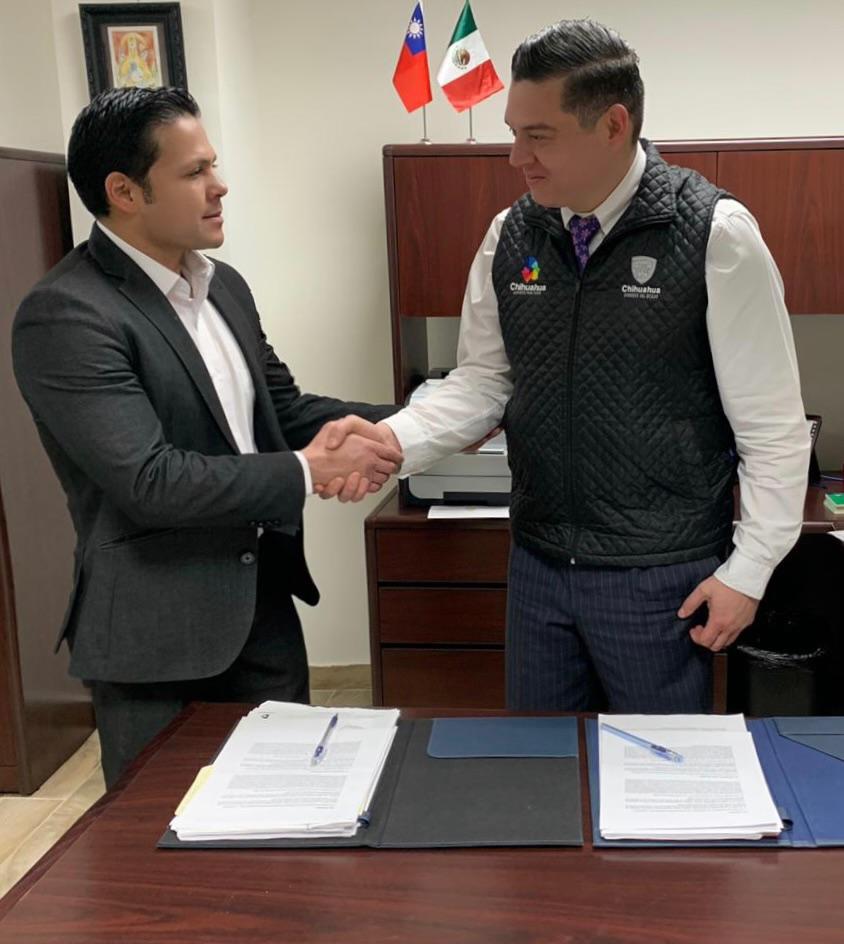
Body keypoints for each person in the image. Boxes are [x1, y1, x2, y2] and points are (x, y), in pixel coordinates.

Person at [331, 18, 811, 713]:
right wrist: (390, 440)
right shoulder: (512, 233)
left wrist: (750, 570)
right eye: (513, 132)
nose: (515, 157)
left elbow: (772, 428)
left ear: (613, 125)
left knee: (656, 767)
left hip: (660, 573)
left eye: (539, 135)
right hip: (540, 563)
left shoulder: (715, 234)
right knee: (538, 762)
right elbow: (484, 381)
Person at [12, 87, 401, 787]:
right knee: (162, 835)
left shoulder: (224, 286)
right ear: (124, 191)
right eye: (195, 172)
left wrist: (426, 420)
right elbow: (151, 481)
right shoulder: (68, 314)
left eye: (212, 165)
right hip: (158, 643)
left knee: (287, 813)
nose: (220, 186)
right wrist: (309, 470)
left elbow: (283, 410)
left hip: (264, 613)